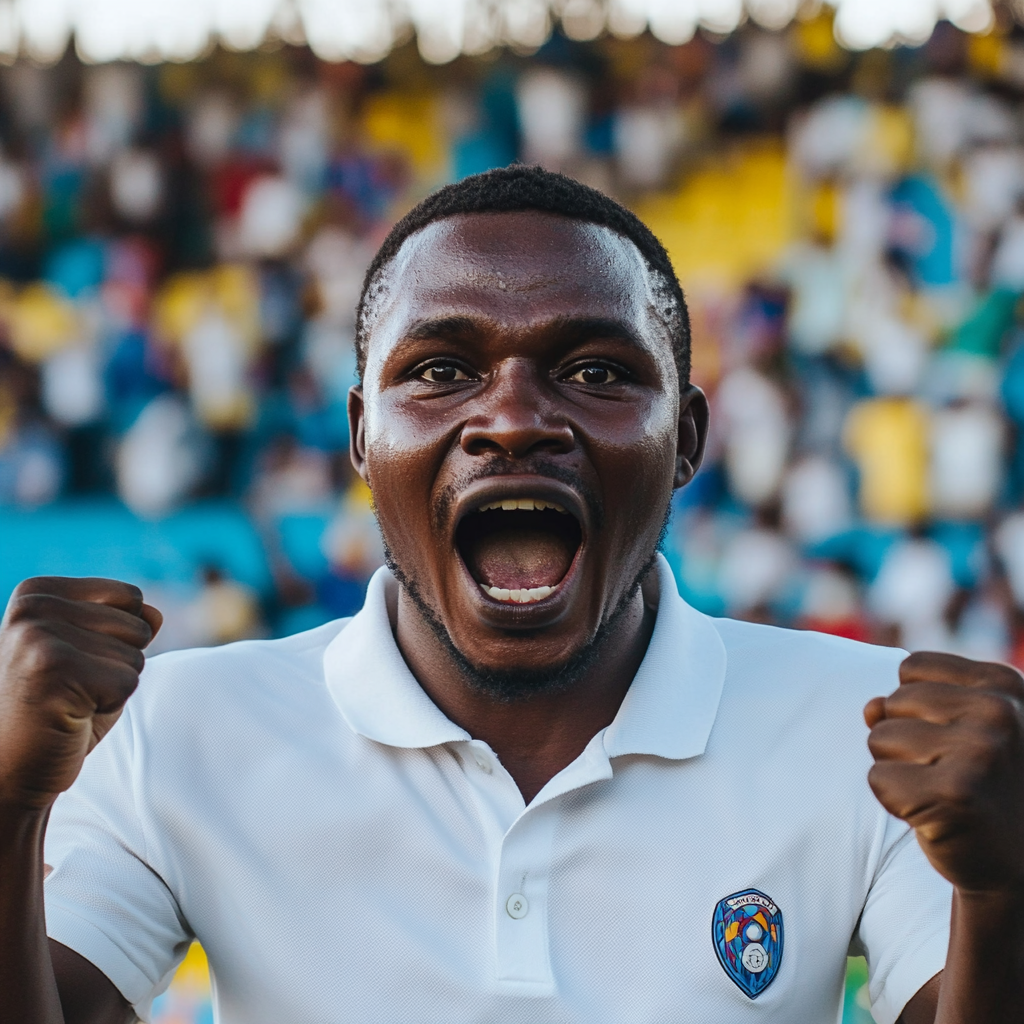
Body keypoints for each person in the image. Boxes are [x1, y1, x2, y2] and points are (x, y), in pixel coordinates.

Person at [1, 166, 1023, 1024]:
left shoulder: (870, 730)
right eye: (441, 369)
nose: (515, 419)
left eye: (594, 370)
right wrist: (10, 803)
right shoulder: (180, 730)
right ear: (361, 435)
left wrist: (1001, 888)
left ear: (689, 442)